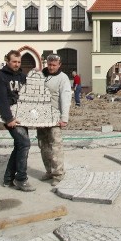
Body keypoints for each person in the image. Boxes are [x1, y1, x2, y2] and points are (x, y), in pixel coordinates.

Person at [0, 50, 34, 191]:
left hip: (22, 116)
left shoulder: (23, 77)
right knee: (24, 143)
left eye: (18, 62)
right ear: (8, 61)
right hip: (11, 117)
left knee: (19, 145)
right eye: (14, 61)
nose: (16, 64)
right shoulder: (0, 78)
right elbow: (1, 99)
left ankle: (8, 179)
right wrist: (8, 118)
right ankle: (21, 179)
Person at [36, 54, 72, 186]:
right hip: (41, 117)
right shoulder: (41, 76)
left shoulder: (63, 78)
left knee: (55, 146)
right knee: (43, 145)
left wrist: (64, 118)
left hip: (55, 118)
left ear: (59, 65)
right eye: (49, 65)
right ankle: (49, 171)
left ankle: (58, 174)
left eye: (54, 65)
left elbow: (66, 98)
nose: (51, 67)